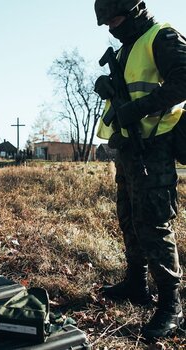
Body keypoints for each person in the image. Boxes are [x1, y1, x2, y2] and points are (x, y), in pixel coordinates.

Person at [94, 0, 186, 340]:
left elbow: (182, 82)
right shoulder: (124, 49)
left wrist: (138, 110)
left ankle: (170, 305)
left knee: (154, 222)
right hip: (130, 148)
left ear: (135, 10)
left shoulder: (161, 37)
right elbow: (129, 88)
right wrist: (106, 85)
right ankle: (136, 283)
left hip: (156, 146)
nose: (110, 28)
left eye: (113, 20)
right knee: (129, 216)